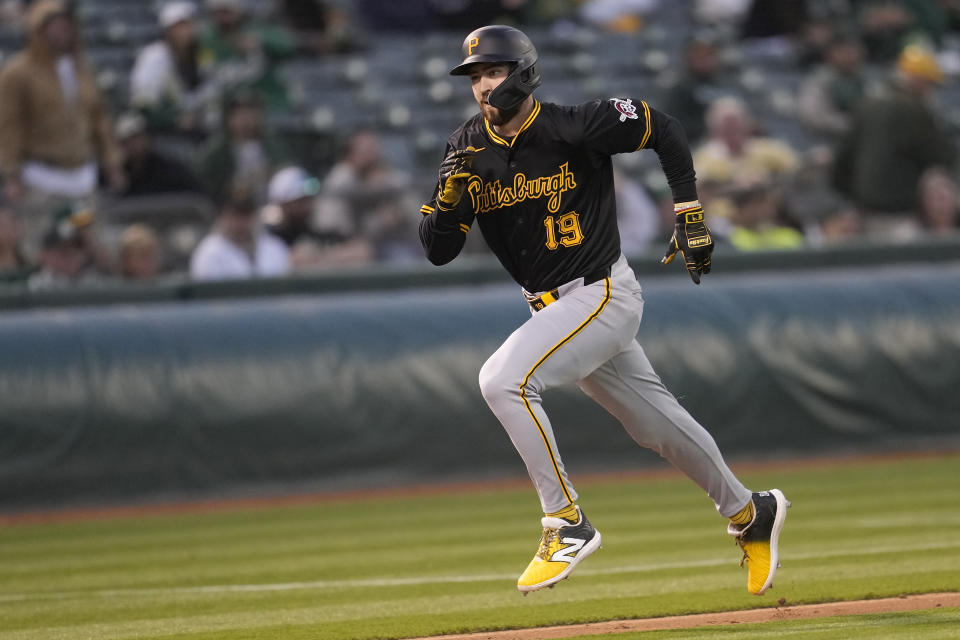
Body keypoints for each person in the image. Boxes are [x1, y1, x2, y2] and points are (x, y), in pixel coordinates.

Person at [418, 25, 790, 596]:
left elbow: (665, 128)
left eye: (492, 71)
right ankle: (749, 512)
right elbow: (438, 252)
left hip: (601, 292)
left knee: (503, 381)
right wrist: (444, 208)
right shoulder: (464, 148)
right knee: (656, 426)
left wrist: (689, 207)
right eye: (474, 76)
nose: (483, 85)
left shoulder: (573, 124)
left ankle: (565, 523)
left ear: (522, 72)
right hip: (555, 309)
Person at [0, 0, 124, 257]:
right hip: (42, 177)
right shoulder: (17, 73)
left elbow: (99, 118)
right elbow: (8, 125)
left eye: (66, 25)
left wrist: (111, 160)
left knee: (90, 241)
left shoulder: (81, 69)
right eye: (54, 26)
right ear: (39, 30)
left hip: (81, 177)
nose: (62, 32)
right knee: (42, 245)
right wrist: (11, 173)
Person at [831, 45, 955, 237]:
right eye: (929, 83)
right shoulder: (914, 108)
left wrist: (851, 198)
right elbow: (941, 156)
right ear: (917, 80)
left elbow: (843, 160)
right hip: (899, 214)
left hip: (863, 212)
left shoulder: (867, 104)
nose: (930, 90)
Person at [317, 129, 421, 262]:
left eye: (373, 150)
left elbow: (406, 191)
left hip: (388, 248)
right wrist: (378, 221)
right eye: (364, 151)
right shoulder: (341, 178)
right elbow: (332, 229)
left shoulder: (390, 177)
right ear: (350, 155)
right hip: (342, 247)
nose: (370, 156)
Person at [129, 1, 216, 135]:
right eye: (178, 27)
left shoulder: (200, 54)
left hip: (194, 125)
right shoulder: (153, 56)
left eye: (187, 25)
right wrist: (174, 118)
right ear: (167, 30)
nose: (184, 32)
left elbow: (209, 88)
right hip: (159, 130)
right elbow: (143, 104)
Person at [263, 166, 372, 269]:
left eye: (308, 197)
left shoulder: (316, 226)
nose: (308, 204)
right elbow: (296, 262)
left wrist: (320, 259)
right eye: (300, 200)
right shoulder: (271, 237)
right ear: (284, 204)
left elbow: (363, 250)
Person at [199, 0, 297, 112]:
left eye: (226, 11)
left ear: (237, 11)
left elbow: (288, 45)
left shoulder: (256, 29)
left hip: (266, 99)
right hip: (229, 105)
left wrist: (260, 42)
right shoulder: (207, 40)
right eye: (218, 12)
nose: (223, 17)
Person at [195, 90, 287, 206]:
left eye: (250, 113)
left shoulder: (272, 144)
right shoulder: (215, 151)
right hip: (230, 211)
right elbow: (205, 186)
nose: (246, 119)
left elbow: (285, 170)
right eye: (239, 114)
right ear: (228, 118)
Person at [190, 193, 290, 280]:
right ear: (223, 217)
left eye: (246, 215)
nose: (241, 222)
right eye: (235, 215)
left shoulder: (275, 246)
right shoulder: (209, 252)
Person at [115, 112, 207, 198]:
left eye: (137, 136)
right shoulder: (119, 175)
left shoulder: (170, 170)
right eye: (128, 140)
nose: (135, 143)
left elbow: (196, 194)